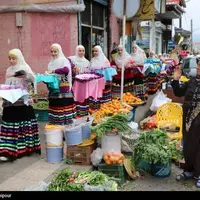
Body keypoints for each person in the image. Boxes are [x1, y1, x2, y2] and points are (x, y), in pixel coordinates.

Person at [0, 49, 41, 161]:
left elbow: (31, 78)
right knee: (9, 125)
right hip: (10, 101)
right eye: (10, 58)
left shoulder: (25, 67)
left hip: (22, 102)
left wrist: (16, 74)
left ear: (19, 58)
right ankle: (7, 150)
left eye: (14, 58)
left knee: (22, 125)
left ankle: (24, 149)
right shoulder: (8, 69)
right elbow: (7, 83)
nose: (12, 61)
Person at [172, 58, 200, 188]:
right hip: (188, 119)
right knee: (188, 145)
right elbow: (178, 92)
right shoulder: (191, 82)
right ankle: (189, 171)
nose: (198, 69)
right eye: (198, 66)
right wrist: (176, 80)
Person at [47, 43, 76, 125]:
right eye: (52, 52)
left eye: (55, 51)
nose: (53, 53)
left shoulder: (64, 60)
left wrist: (54, 71)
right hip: (54, 90)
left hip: (64, 89)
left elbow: (66, 70)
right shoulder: (51, 63)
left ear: (59, 51)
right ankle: (57, 128)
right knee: (56, 107)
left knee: (64, 107)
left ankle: (66, 128)